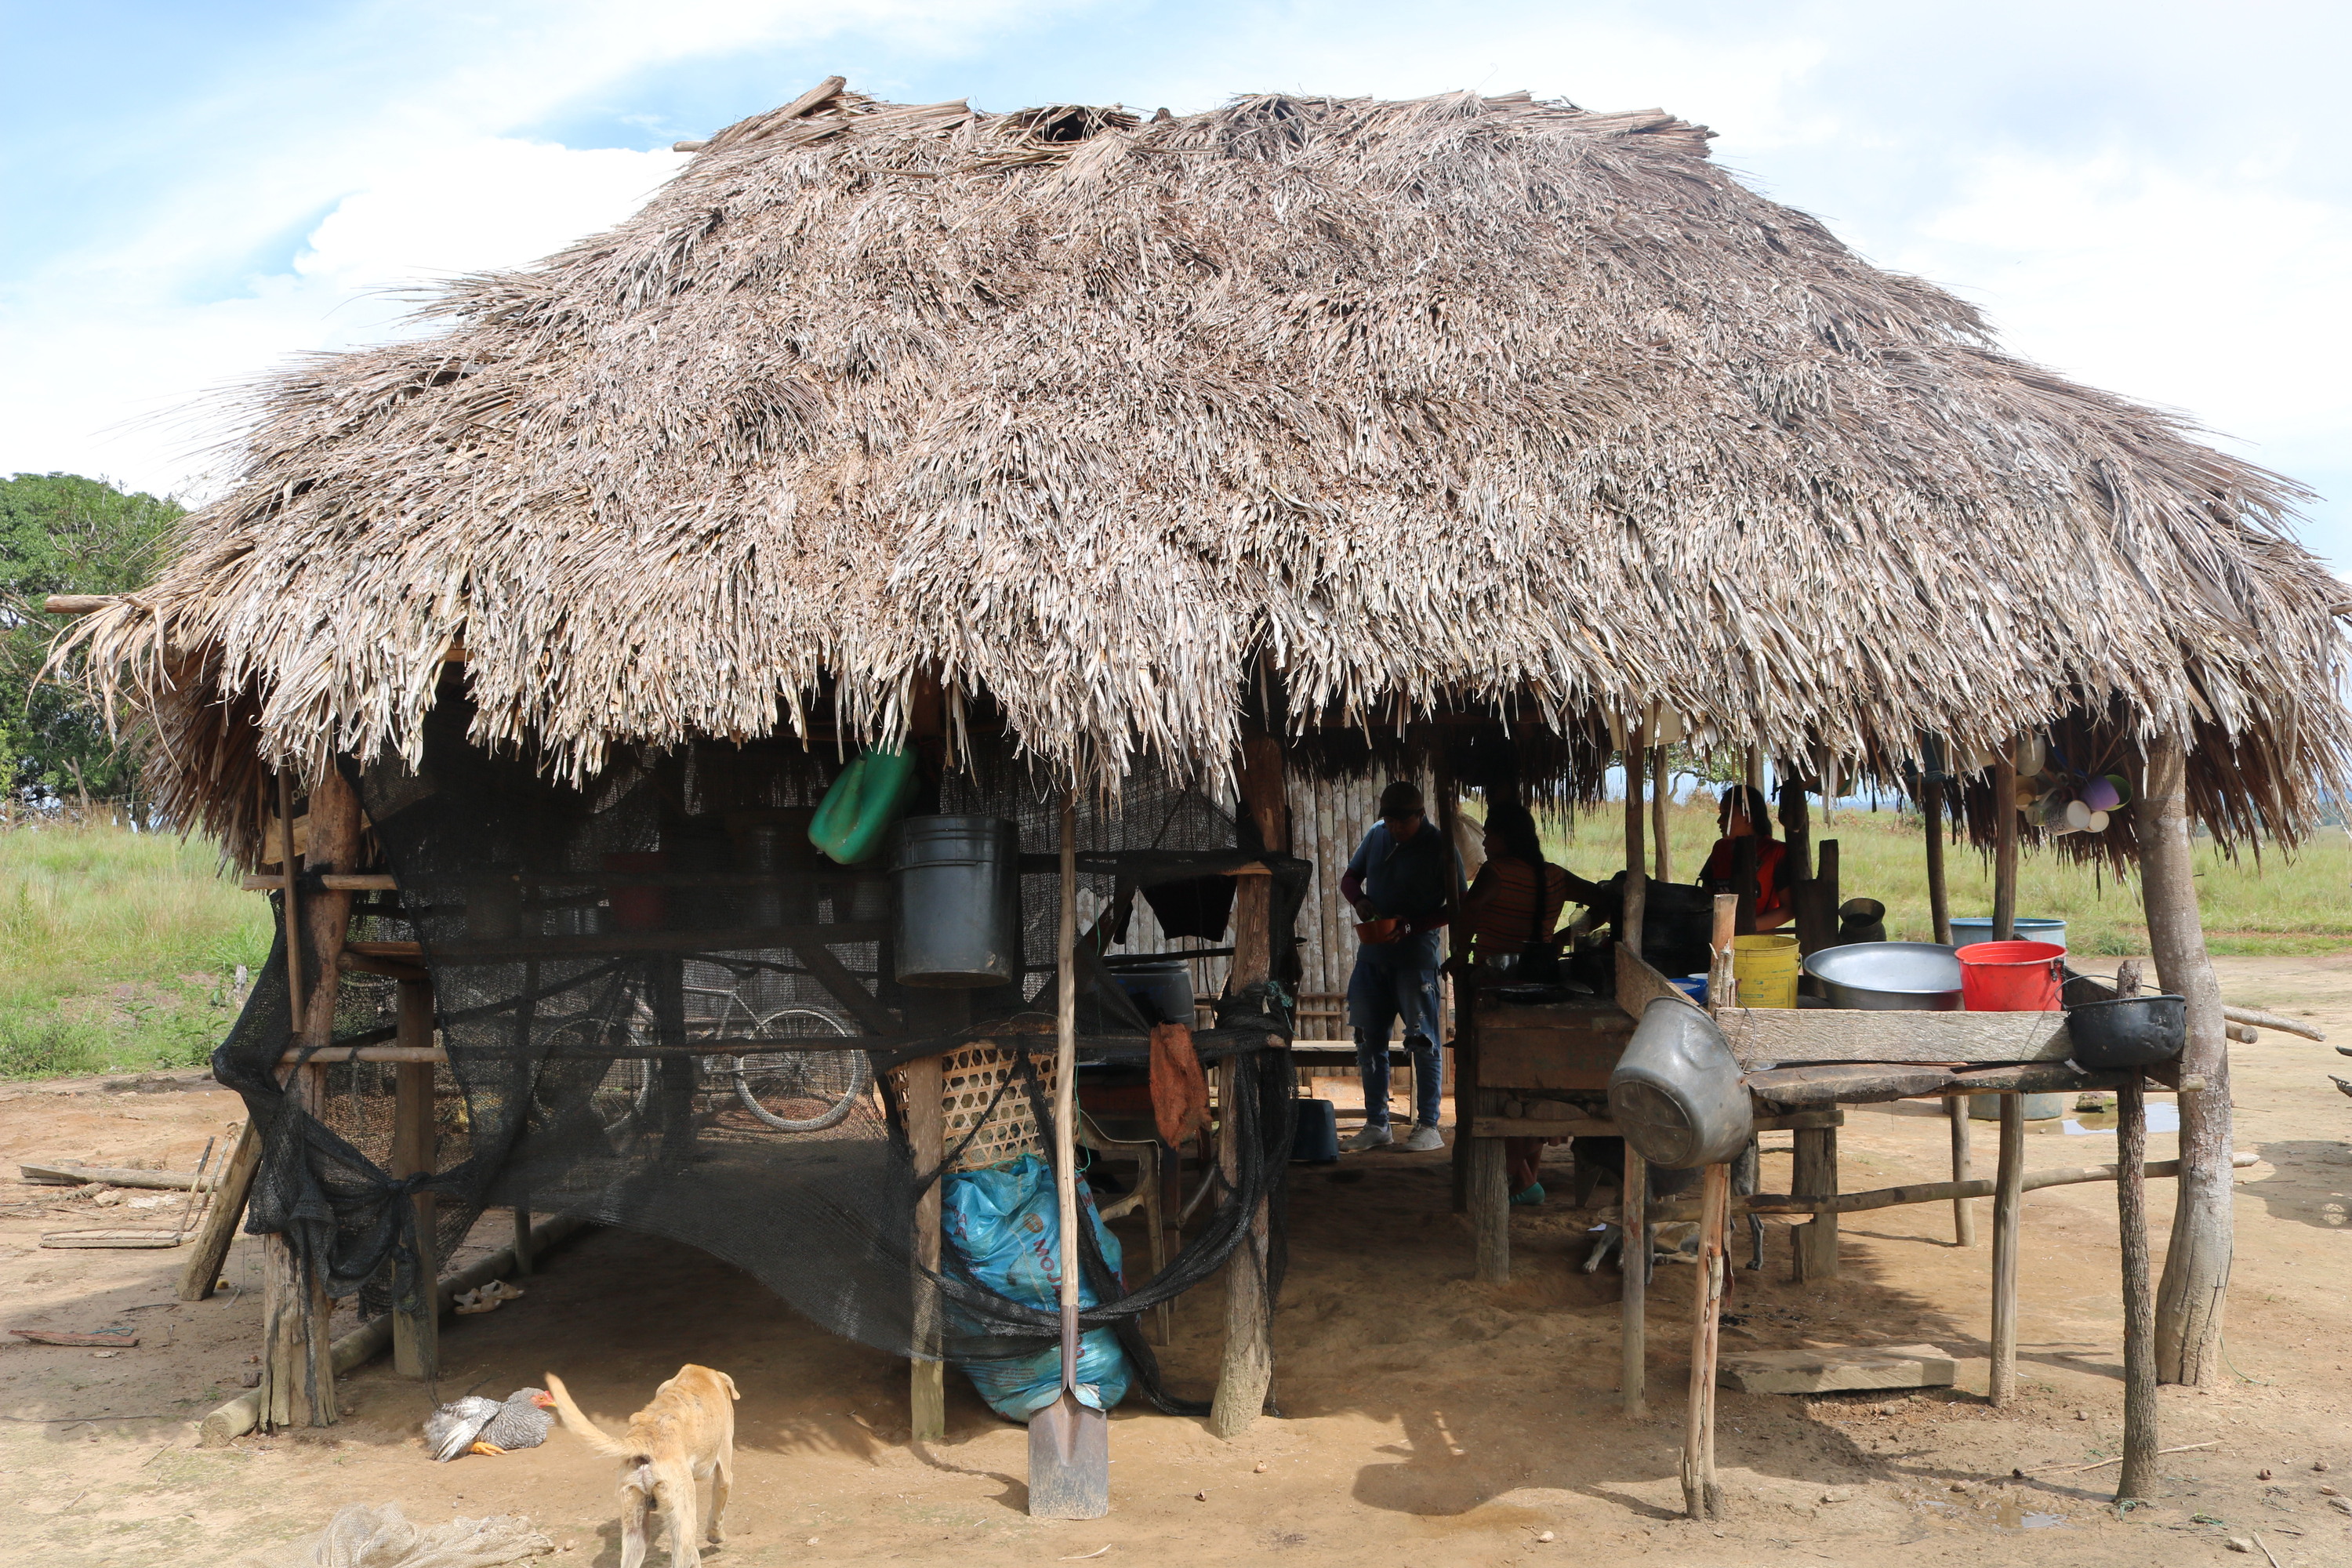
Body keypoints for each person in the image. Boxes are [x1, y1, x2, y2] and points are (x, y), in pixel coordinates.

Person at [1339, 780, 1452, 1152]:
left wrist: (1412, 926)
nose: (1395, 829)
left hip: (1416, 960)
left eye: (1403, 822)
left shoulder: (1440, 847)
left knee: (1422, 1042)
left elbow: (1458, 905)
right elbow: (1350, 878)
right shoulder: (1376, 836)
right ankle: (1377, 1123)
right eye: (1389, 821)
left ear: (1421, 815)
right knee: (1368, 1040)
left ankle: (1428, 1124)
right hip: (1373, 958)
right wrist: (1361, 902)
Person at [1702, 784, 1793, 931]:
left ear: (1748, 817)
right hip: (1719, 939)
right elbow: (1705, 897)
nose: (1720, 821)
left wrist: (1744, 928)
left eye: (1726, 814)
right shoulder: (1720, 848)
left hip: (1758, 946)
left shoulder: (1775, 853)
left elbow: (1790, 909)